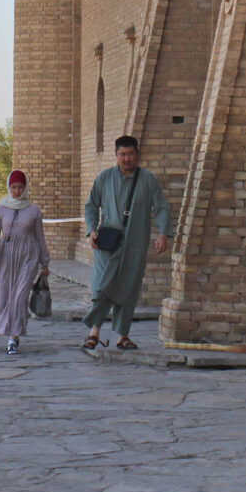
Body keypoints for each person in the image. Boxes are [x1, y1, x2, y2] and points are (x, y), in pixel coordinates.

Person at [81, 135, 172, 350]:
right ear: (116, 155)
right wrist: (91, 230)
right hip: (108, 243)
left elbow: (160, 207)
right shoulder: (104, 178)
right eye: (122, 154)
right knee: (101, 286)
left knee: (129, 287)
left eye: (130, 154)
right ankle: (94, 332)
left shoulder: (148, 180)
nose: (126, 158)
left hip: (135, 243)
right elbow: (91, 206)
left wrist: (163, 233)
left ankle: (122, 335)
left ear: (137, 154)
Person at [0, 169, 51, 355]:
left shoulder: (33, 211)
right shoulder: (1, 209)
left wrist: (44, 262)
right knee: (4, 295)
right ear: (8, 187)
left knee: (20, 297)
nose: (17, 191)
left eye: (20, 187)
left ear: (26, 188)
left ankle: (14, 337)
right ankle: (7, 331)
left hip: (28, 258)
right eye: (13, 187)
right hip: (5, 257)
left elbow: (40, 237)